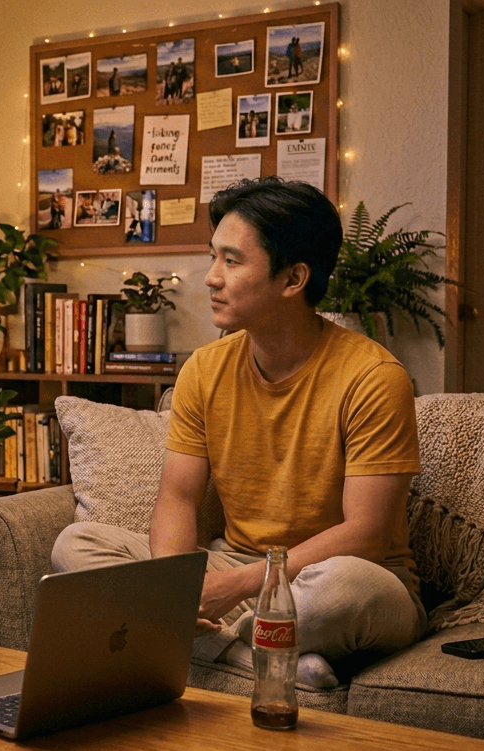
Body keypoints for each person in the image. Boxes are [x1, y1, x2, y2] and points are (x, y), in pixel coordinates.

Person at [52, 177, 424, 690]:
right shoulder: (204, 370)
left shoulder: (374, 378)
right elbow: (178, 498)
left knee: (345, 591)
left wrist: (233, 588)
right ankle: (255, 657)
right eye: (214, 257)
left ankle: (202, 642)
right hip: (234, 565)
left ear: (293, 279)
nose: (210, 278)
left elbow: (365, 535)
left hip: (332, 577)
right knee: (78, 545)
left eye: (231, 260)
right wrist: (178, 585)